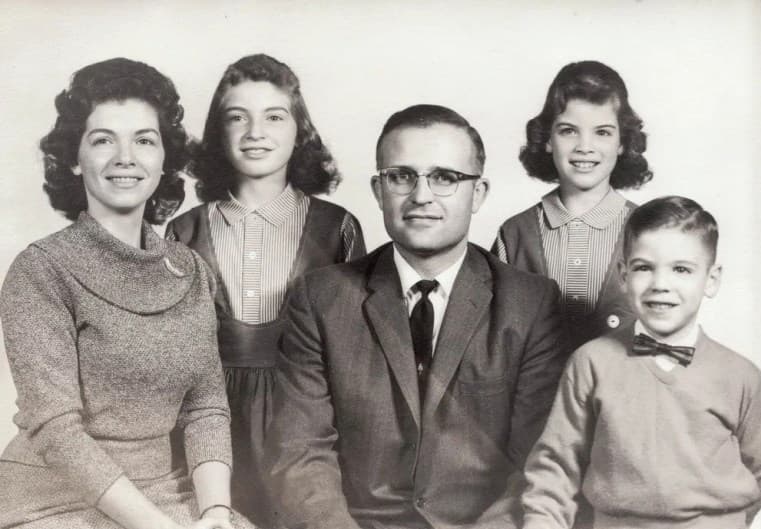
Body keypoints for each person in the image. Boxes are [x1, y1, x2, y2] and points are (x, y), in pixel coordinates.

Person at [265, 104, 567, 529]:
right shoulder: (320, 298)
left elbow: (538, 462)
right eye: (402, 176)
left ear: (477, 193)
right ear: (378, 190)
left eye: (445, 177)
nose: (421, 195)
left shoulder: (530, 304)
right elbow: (300, 452)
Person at [0, 58, 253, 529]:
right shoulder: (40, 270)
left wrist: (216, 512)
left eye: (144, 140)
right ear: (74, 159)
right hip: (52, 501)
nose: (126, 157)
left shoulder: (191, 271)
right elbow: (56, 430)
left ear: (163, 159)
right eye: (103, 140)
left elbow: (205, 407)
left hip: (165, 492)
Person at [165, 53, 365, 526]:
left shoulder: (338, 228)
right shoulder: (183, 232)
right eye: (238, 118)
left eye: (274, 117)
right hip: (208, 422)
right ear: (218, 134)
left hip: (308, 416)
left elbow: (357, 354)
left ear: (301, 131)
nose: (256, 132)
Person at [521, 196, 761, 529]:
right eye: (643, 268)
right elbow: (556, 467)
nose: (660, 285)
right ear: (623, 275)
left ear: (711, 279)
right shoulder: (591, 362)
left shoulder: (742, 376)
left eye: (681, 269)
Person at [491, 60, 653, 349]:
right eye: (568, 131)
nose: (584, 146)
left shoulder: (648, 229)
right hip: (536, 393)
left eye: (602, 132)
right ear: (548, 139)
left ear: (622, 143)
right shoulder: (515, 234)